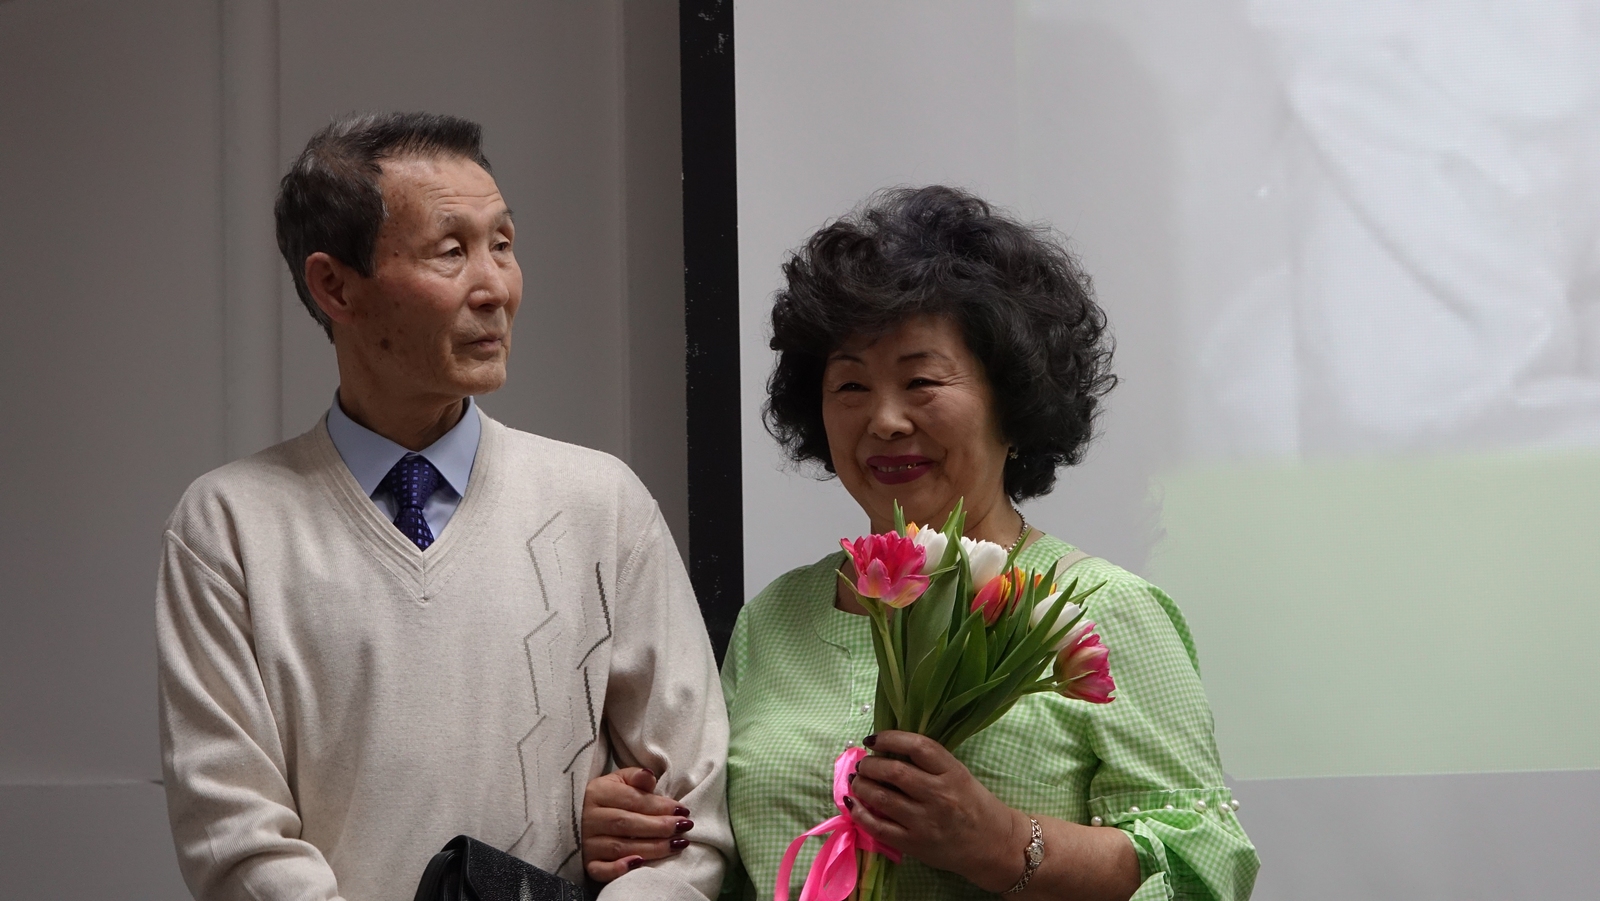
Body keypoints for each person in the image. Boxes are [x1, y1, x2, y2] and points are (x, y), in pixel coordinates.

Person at [584, 186, 1259, 899]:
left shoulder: (1099, 607)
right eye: (850, 386)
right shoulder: (776, 618)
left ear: (1013, 400)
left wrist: (1000, 842)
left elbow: (1204, 866)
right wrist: (641, 831)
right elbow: (723, 857)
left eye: (922, 381)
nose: (885, 420)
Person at [156, 112, 730, 901]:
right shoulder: (229, 526)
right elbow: (236, 837)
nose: (495, 288)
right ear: (335, 285)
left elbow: (694, 814)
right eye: (451, 251)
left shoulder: (603, 504)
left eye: (503, 244)